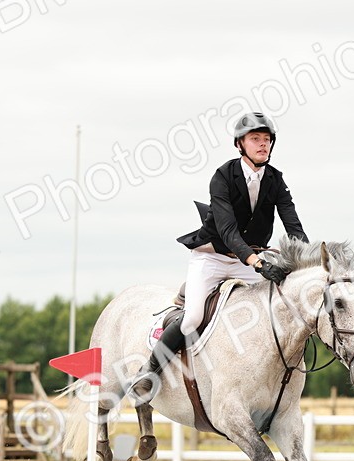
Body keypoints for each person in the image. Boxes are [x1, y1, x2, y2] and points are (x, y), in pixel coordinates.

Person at [129, 111, 308, 402]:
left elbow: (293, 224)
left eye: (266, 139)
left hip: (251, 261)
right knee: (193, 318)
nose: (263, 144)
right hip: (213, 257)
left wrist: (306, 261)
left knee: (275, 312)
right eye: (255, 139)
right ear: (240, 144)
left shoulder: (275, 180)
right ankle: (149, 372)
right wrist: (257, 263)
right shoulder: (223, 176)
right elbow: (227, 231)